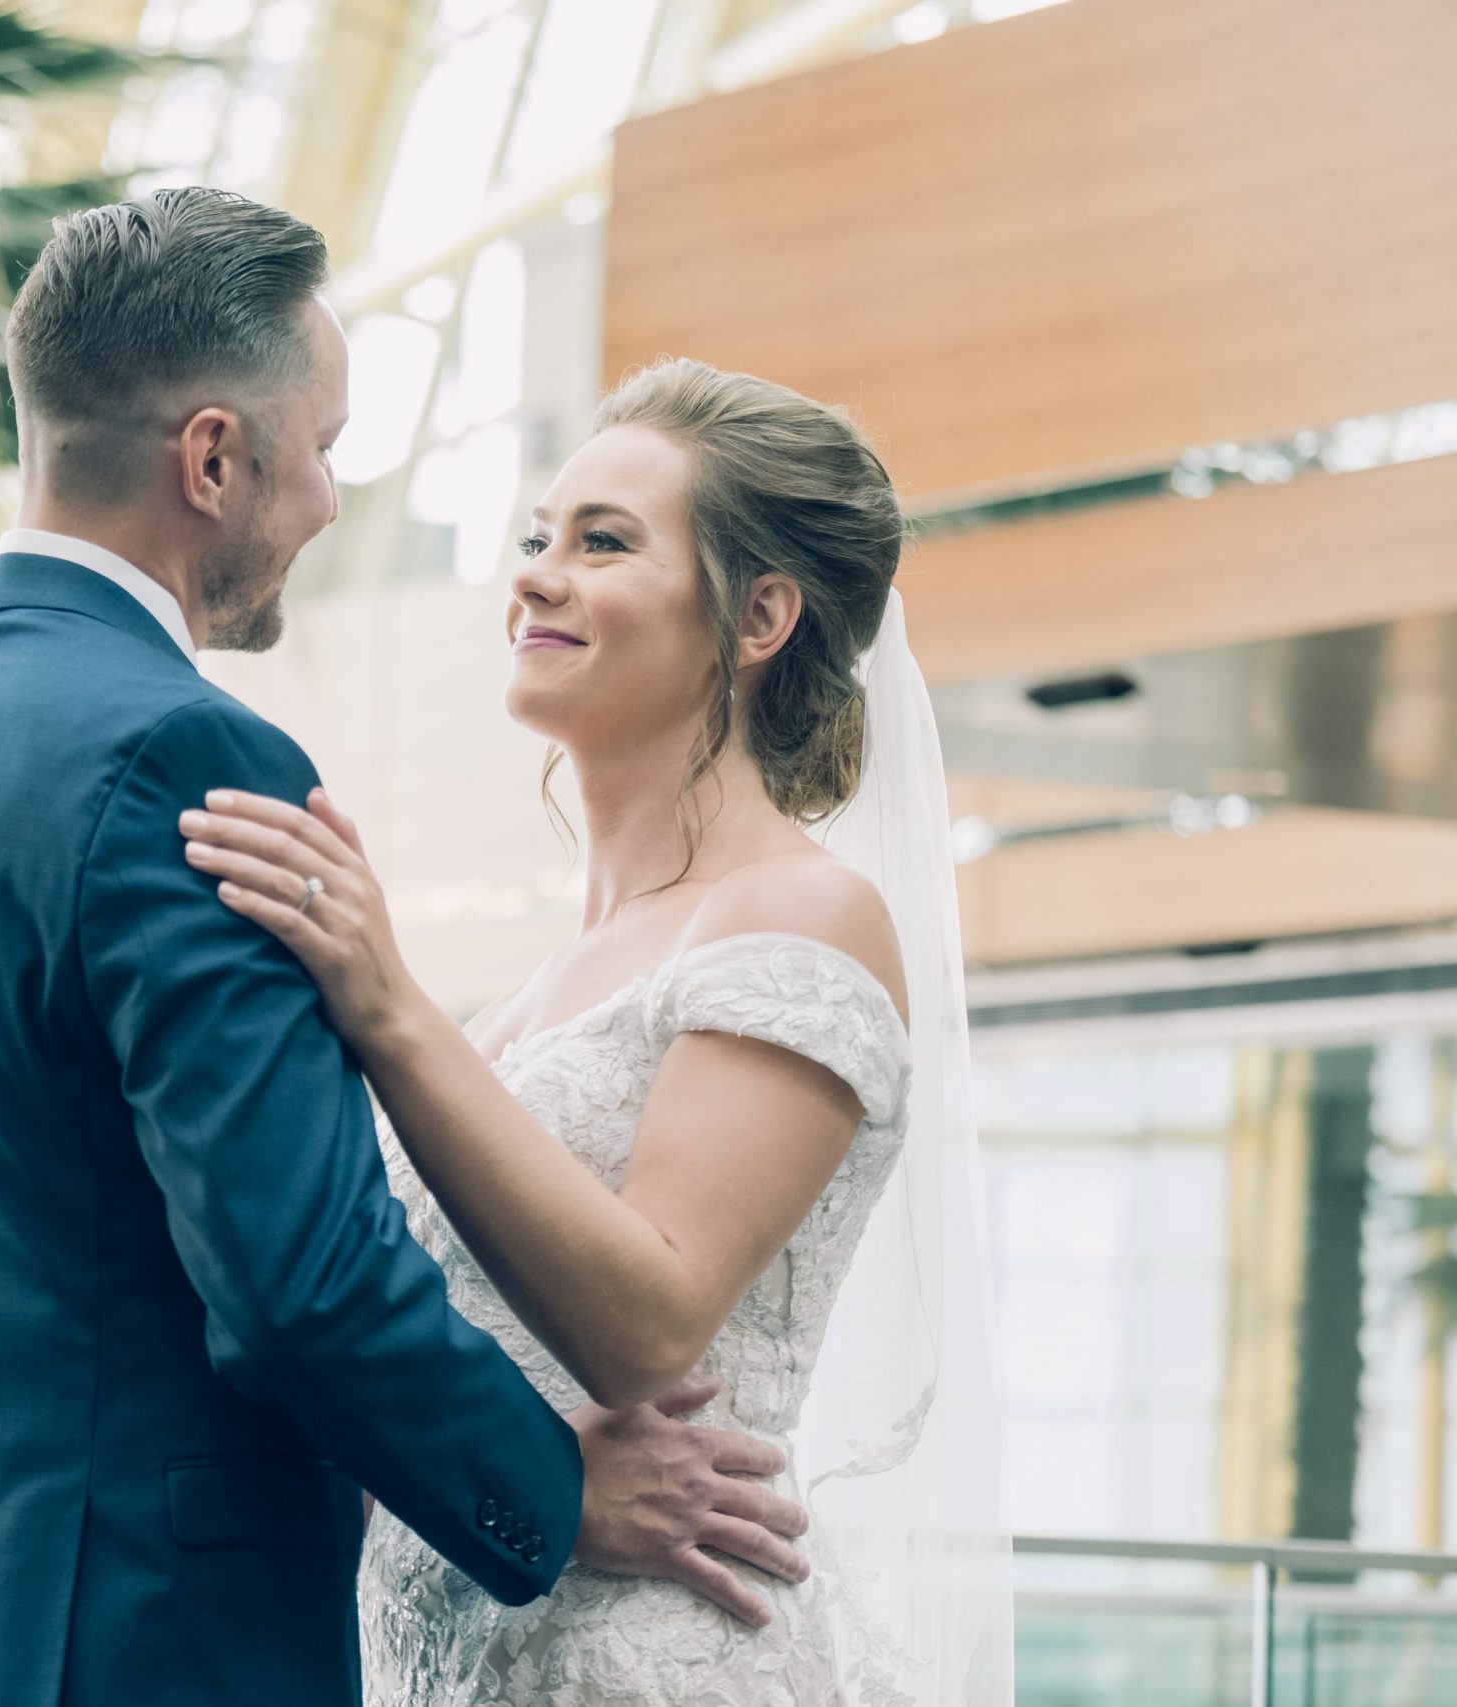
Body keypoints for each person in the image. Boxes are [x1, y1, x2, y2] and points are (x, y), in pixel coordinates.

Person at [0, 190, 810, 1707]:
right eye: (322, 447)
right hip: (140, 1638)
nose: (330, 499)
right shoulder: (186, 756)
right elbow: (296, 1281)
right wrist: (560, 1488)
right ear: (214, 457)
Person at [181, 358, 1014, 1703]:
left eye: (604, 542)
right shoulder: (527, 997)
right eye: (535, 541)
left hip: (645, 1660)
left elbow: (651, 1319)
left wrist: (382, 1004)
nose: (537, 576)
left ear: (759, 617)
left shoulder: (802, 914)